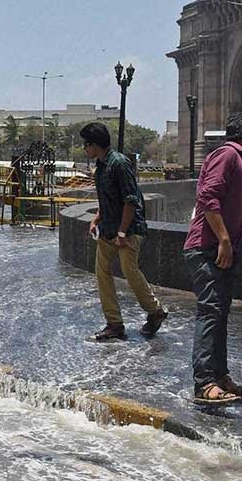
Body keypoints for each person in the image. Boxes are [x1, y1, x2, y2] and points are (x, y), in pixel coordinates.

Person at [184, 111, 242, 405]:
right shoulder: (227, 155)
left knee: (219, 313)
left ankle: (220, 375)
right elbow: (208, 198)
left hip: (221, 247)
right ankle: (204, 382)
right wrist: (225, 240)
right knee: (211, 311)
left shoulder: (241, 160)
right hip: (207, 247)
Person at [76, 122, 167, 341]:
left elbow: (130, 200)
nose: (84, 149)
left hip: (128, 230)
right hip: (108, 229)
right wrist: (97, 219)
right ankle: (114, 324)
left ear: (95, 144)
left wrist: (122, 233)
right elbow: (107, 200)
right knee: (102, 274)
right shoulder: (101, 166)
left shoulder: (119, 163)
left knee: (130, 271)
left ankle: (155, 311)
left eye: (86, 145)